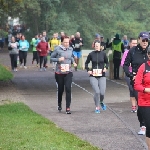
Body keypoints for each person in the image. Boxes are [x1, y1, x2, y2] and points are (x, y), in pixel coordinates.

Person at [123, 31, 149, 135]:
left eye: (147, 40)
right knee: (141, 103)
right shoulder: (132, 51)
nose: (145, 42)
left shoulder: (149, 51)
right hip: (137, 82)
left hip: (149, 80)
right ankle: (143, 125)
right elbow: (125, 65)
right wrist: (130, 75)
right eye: (143, 40)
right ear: (139, 40)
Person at [50, 36, 77, 114]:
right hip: (59, 73)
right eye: (65, 42)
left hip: (68, 72)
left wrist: (74, 62)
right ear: (62, 42)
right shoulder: (57, 49)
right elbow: (51, 58)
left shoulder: (71, 48)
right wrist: (58, 59)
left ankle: (68, 107)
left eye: (68, 42)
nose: (66, 44)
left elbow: (71, 57)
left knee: (68, 88)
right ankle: (59, 104)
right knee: (60, 90)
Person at [85, 42, 108, 113]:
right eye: (95, 46)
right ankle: (97, 107)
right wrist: (88, 70)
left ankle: (101, 101)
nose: (96, 47)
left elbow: (107, 63)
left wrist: (106, 68)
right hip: (93, 75)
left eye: (98, 46)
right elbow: (86, 63)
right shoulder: (91, 54)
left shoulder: (103, 54)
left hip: (102, 75)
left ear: (100, 46)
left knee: (102, 92)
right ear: (94, 46)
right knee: (97, 92)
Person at [134, 47, 150, 150]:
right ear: (148, 55)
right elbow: (137, 85)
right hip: (145, 102)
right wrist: (146, 90)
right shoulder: (143, 67)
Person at [121, 38, 137, 112]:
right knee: (132, 89)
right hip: (129, 74)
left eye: (136, 43)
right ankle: (134, 106)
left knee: (137, 90)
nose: (134, 45)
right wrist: (130, 65)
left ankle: (137, 106)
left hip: (138, 74)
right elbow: (122, 64)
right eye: (133, 43)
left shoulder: (139, 52)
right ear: (130, 44)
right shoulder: (126, 52)